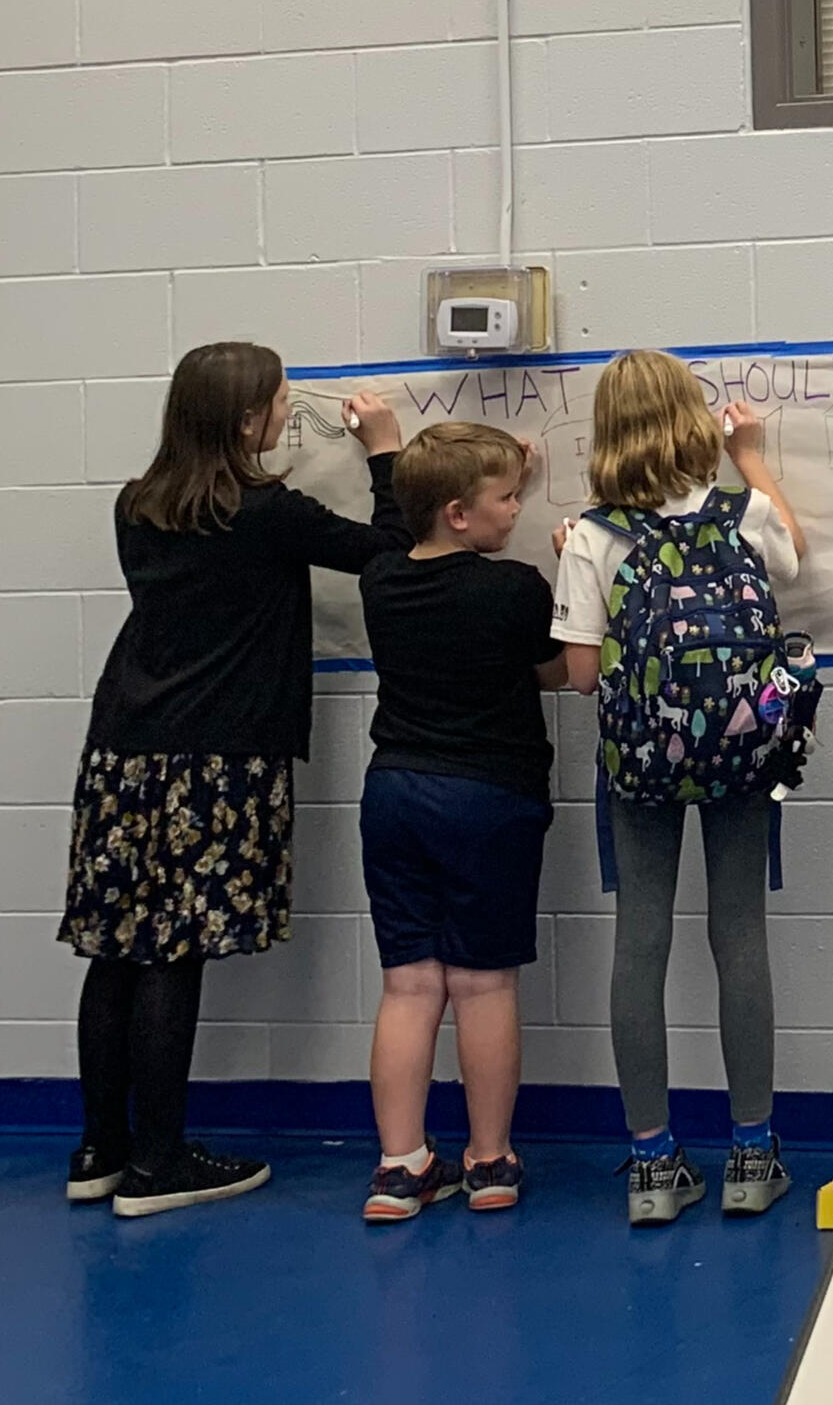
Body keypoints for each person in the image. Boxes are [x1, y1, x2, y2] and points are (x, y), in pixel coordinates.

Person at [61, 342, 407, 1217]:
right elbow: (390, 551)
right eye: (279, 404)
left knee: (116, 952)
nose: (289, 416)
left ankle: (101, 1148)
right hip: (216, 756)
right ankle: (159, 1162)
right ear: (246, 419)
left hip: (122, 747)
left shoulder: (138, 504)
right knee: (173, 952)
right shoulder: (261, 511)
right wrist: (385, 454)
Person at [551, 351, 806, 1226]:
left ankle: (653, 1168)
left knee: (640, 941)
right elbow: (797, 563)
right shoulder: (747, 512)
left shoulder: (591, 535)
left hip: (637, 767)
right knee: (739, 935)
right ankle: (751, 1154)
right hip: (740, 759)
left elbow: (584, 677)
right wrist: (753, 457)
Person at [357, 422, 567, 1222]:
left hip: (396, 793)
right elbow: (553, 670)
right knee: (482, 985)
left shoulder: (380, 581)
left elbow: (400, 525)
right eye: (506, 497)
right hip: (489, 798)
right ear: (456, 511)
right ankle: (488, 1160)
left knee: (409, 983)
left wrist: (497, 471)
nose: (515, 508)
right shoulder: (513, 588)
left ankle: (400, 1166)